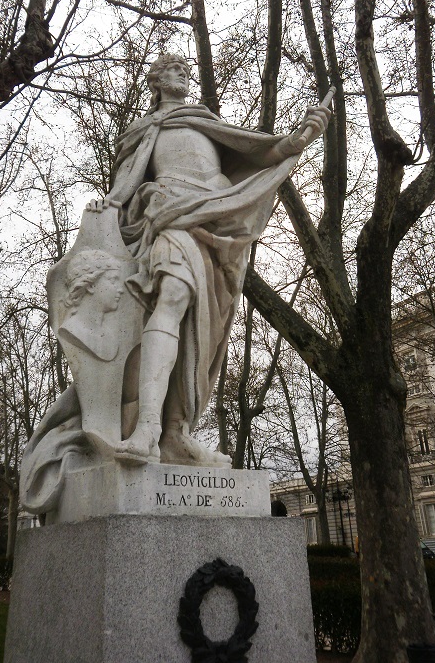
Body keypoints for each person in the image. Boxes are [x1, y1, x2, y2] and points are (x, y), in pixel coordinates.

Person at [87, 53, 331, 465]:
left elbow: (258, 153)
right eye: (174, 69)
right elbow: (126, 180)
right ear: (156, 81)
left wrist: (300, 137)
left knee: (205, 332)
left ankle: (175, 432)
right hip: (171, 212)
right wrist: (108, 204)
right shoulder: (145, 128)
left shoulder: (204, 120)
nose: (183, 74)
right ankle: (147, 428)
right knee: (173, 295)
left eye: (186, 70)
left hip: (219, 222)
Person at [58, 249, 124, 361]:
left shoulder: (109, 336)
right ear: (90, 286)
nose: (120, 290)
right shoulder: (71, 330)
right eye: (113, 280)